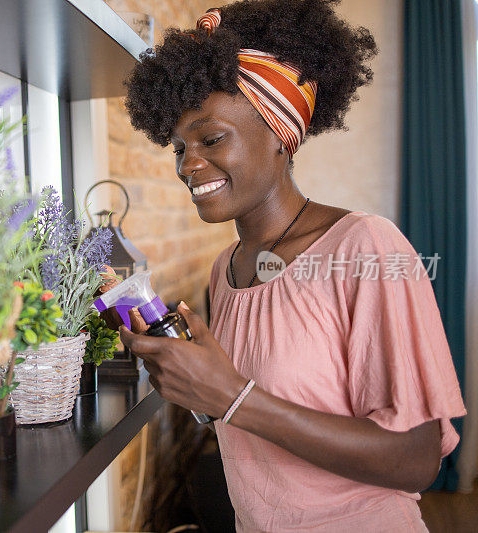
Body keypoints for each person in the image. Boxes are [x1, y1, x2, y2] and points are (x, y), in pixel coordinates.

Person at [116, 0, 467, 531]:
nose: (187, 164)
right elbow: (247, 422)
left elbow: (416, 458)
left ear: (280, 135)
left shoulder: (365, 247)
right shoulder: (225, 269)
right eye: (179, 147)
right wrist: (189, 382)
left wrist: (232, 397)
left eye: (211, 140)